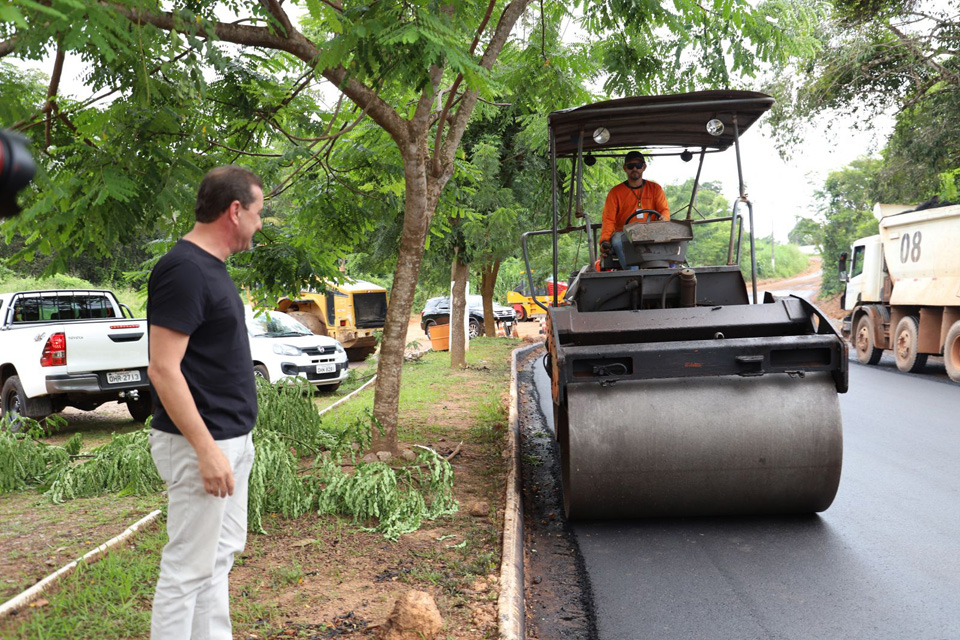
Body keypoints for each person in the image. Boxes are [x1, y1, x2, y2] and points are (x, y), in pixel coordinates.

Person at [146, 165, 263, 640]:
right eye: (258, 214)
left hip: (230, 440)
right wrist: (206, 448)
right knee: (186, 570)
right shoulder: (185, 270)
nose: (259, 224)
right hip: (202, 445)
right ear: (234, 211)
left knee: (218, 558)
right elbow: (163, 368)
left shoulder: (211, 268)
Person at [599, 150, 671, 246]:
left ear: (644, 167)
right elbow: (608, 219)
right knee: (616, 241)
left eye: (638, 165)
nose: (634, 168)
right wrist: (605, 240)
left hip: (651, 232)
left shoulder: (655, 189)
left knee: (670, 241)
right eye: (630, 166)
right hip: (625, 235)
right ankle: (628, 261)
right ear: (625, 168)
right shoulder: (615, 192)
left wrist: (664, 218)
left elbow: (664, 210)